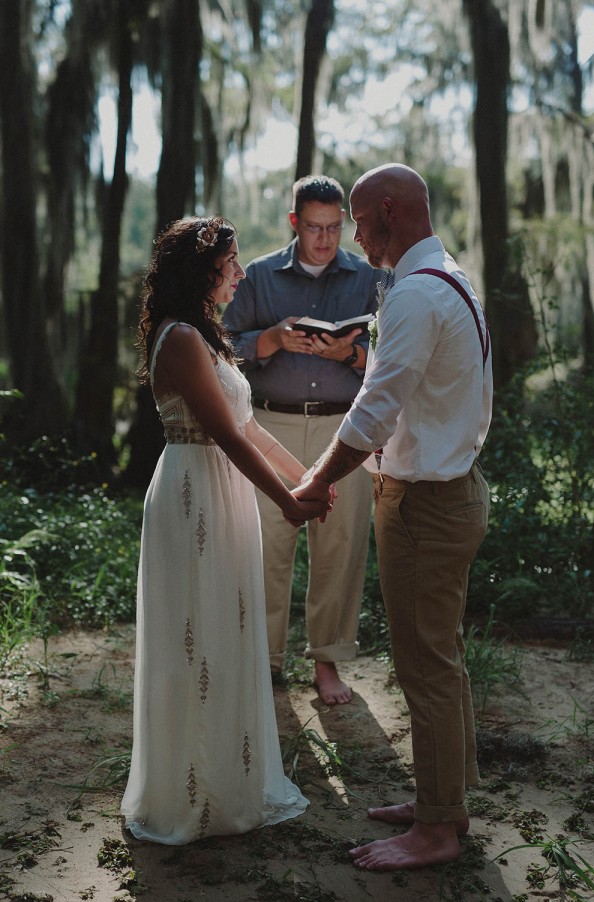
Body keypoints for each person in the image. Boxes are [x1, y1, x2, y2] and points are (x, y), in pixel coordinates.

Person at [298, 163, 493, 869]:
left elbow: (375, 409)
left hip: (427, 505)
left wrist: (316, 485)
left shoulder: (416, 292)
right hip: (449, 490)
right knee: (439, 657)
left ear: (388, 209)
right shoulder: (452, 277)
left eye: (356, 217)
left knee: (426, 666)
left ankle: (438, 829)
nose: (353, 234)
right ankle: (446, 796)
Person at [121, 216, 332, 845]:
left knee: (227, 628)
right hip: (193, 496)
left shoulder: (208, 339)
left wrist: (310, 481)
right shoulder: (181, 338)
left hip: (224, 493)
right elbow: (225, 434)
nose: (242, 272)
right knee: (196, 634)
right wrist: (288, 505)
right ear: (202, 268)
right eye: (233, 261)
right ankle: (189, 793)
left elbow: (256, 428)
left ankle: (225, 778)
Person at [223, 175, 379, 705]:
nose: (325, 240)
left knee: (340, 547)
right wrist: (271, 339)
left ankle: (328, 664)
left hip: (346, 428)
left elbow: (391, 356)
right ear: (295, 222)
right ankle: (265, 662)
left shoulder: (369, 277)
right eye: (314, 228)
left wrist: (350, 355)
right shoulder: (260, 276)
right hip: (273, 424)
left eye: (335, 228)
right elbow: (218, 350)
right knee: (267, 546)